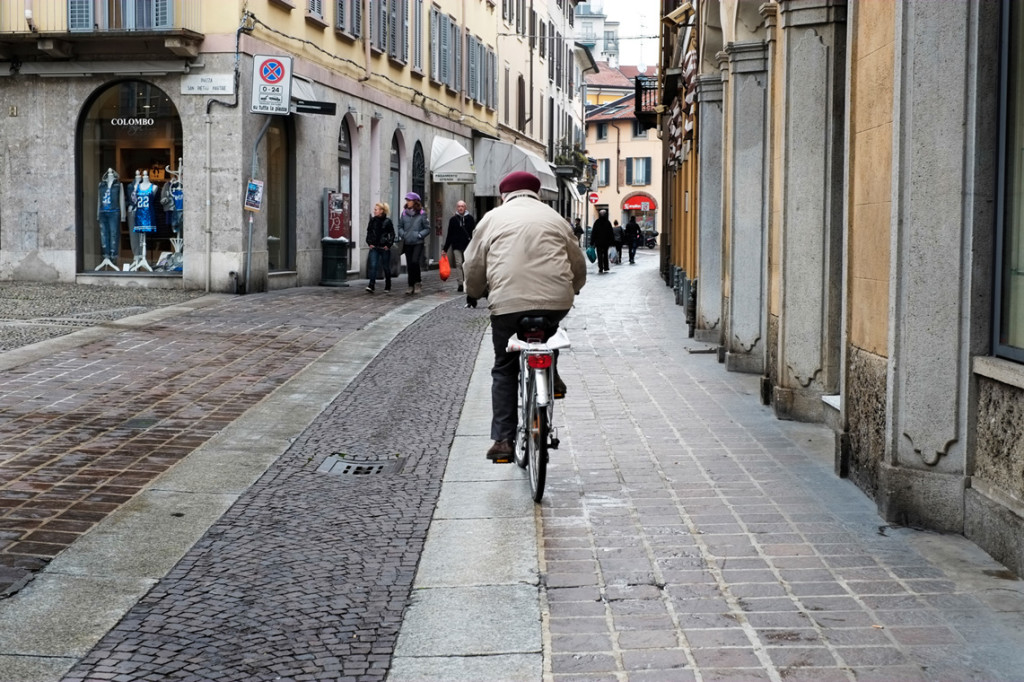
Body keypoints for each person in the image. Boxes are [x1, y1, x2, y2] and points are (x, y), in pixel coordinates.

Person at [464, 171, 587, 462]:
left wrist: (474, 291)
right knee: (549, 328)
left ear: (502, 194)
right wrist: (575, 288)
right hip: (555, 301)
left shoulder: (492, 218)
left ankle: (504, 441)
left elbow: (473, 263)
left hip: (508, 305)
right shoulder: (555, 218)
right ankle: (551, 374)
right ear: (537, 194)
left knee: (505, 368)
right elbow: (577, 262)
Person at [396, 192, 430, 295]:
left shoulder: (422, 214)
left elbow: (427, 228)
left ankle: (418, 282)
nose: (407, 202)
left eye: (409, 200)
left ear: (415, 202)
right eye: (407, 200)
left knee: (415, 261)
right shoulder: (404, 213)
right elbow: (400, 226)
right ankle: (410, 285)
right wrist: (403, 234)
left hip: (417, 242)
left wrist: (419, 235)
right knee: (410, 264)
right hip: (407, 242)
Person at [442, 200, 476, 292]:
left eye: (462, 206)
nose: (460, 208)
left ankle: (466, 282)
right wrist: (445, 248)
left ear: (465, 207)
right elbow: (449, 235)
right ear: (457, 208)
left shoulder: (470, 219)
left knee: (466, 264)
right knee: (459, 263)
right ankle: (460, 283)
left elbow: (474, 233)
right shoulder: (453, 220)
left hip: (467, 246)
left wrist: (474, 245)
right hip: (456, 245)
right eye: (459, 206)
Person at [365, 202, 395, 293]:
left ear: (381, 211)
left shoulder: (388, 221)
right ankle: (371, 285)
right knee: (373, 266)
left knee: (386, 267)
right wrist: (369, 243)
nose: (374, 211)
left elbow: (392, 234)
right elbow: (369, 232)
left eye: (376, 209)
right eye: (374, 209)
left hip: (384, 247)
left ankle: (388, 285)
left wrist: (389, 244)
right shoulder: (372, 220)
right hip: (374, 247)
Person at [97, 168, 124, 267]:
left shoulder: (118, 185)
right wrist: (97, 214)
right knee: (104, 234)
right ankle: (106, 255)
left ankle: (114, 256)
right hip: (103, 212)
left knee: (114, 234)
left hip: (114, 212)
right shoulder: (101, 185)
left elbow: (121, 200)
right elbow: (99, 200)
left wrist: (123, 215)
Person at [590, 209, 614, 273]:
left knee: (599, 255)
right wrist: (612, 242)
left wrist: (592, 241)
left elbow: (594, 232)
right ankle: (606, 267)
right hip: (606, 242)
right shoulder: (608, 222)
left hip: (598, 242)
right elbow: (611, 233)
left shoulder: (597, 222)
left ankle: (600, 267)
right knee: (605, 254)